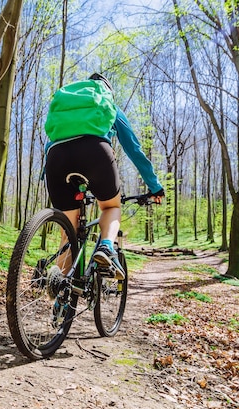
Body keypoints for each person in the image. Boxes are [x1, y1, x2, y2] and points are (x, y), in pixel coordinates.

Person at [44, 73, 164, 280]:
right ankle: (107, 247)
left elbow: (50, 144)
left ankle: (61, 295)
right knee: (110, 207)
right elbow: (133, 149)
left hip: (56, 157)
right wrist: (155, 186)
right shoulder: (109, 105)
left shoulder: (68, 108)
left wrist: (47, 173)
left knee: (68, 230)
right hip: (95, 153)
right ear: (107, 92)